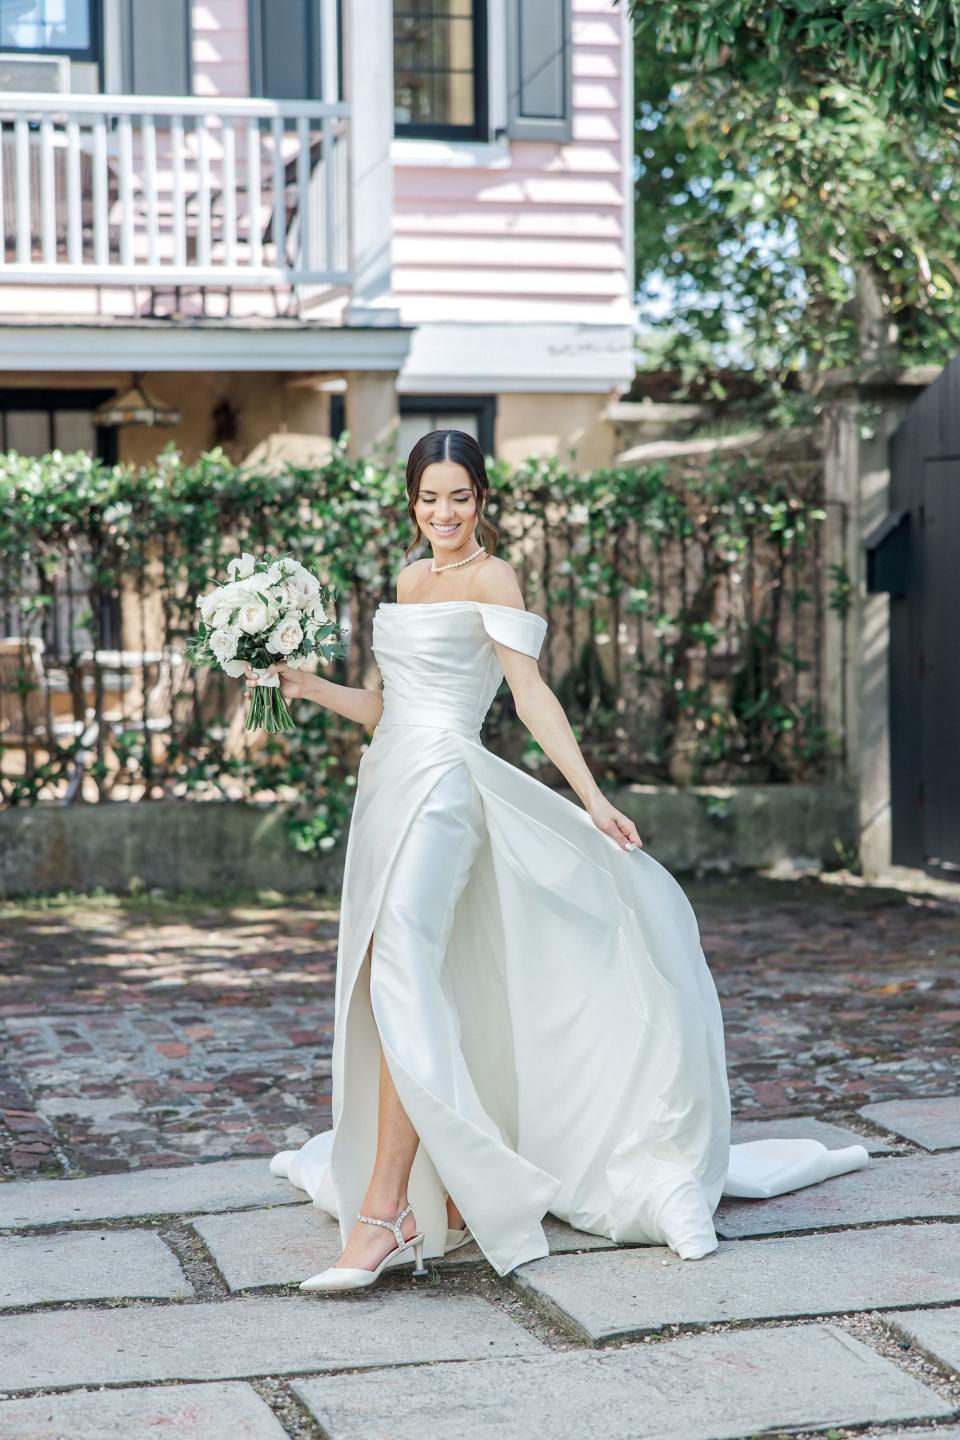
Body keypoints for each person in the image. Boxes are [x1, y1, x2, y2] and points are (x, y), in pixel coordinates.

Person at [257, 429, 869, 1294]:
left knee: (400, 971)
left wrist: (591, 795)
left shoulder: (493, 578)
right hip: (388, 781)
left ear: (482, 500)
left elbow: (529, 692)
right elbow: (390, 707)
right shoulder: (408, 579)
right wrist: (309, 686)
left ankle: (385, 1210)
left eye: (459, 498)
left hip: (444, 790)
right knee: (389, 977)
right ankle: (448, 1188)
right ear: (410, 501)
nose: (444, 514)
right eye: (429, 498)